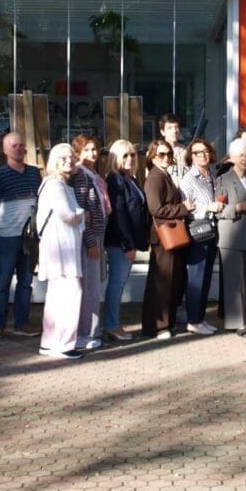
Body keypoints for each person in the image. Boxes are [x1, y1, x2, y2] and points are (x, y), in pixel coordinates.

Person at [0, 132, 42, 339]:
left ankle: (22, 323)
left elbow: (40, 201)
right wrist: (5, 226)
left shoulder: (34, 173)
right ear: (5, 150)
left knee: (26, 282)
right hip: (8, 237)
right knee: (3, 281)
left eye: (21, 145)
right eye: (13, 145)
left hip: (30, 237)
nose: (18, 148)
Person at [36, 144, 85, 360]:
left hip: (61, 246)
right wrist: (83, 214)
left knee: (57, 295)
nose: (69, 161)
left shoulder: (58, 184)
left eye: (71, 157)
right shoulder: (55, 185)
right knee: (71, 292)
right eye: (63, 158)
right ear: (54, 160)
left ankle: (49, 342)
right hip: (61, 247)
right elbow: (68, 215)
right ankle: (64, 344)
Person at [142, 139, 195, 339]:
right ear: (152, 157)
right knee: (162, 282)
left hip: (170, 235)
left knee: (171, 280)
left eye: (169, 154)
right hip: (163, 236)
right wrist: (183, 208)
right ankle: (157, 326)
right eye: (161, 154)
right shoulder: (155, 177)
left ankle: (166, 323)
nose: (166, 158)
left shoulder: (164, 175)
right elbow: (156, 208)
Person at [103, 139, 149, 343]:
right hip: (120, 243)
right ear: (115, 158)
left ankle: (113, 324)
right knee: (117, 284)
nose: (130, 159)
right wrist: (127, 244)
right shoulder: (115, 180)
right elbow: (119, 215)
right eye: (125, 155)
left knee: (119, 283)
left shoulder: (131, 179)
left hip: (128, 241)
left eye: (132, 155)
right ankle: (112, 325)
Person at [180, 137, 224, 335]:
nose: (203, 155)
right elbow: (186, 208)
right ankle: (193, 320)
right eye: (198, 152)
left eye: (205, 151)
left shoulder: (211, 175)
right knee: (196, 278)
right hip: (198, 232)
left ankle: (200, 318)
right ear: (191, 156)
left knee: (206, 277)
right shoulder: (189, 179)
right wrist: (208, 207)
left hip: (211, 231)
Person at [216, 138, 246, 336]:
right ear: (232, 158)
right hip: (230, 235)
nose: (245, 158)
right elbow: (218, 210)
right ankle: (237, 323)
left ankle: (245, 319)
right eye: (241, 155)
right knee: (234, 281)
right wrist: (238, 207)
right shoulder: (223, 179)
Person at [70, 134, 109, 350]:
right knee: (89, 288)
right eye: (87, 150)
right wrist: (91, 241)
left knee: (94, 287)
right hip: (89, 239)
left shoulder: (93, 174)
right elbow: (82, 211)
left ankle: (92, 330)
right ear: (78, 153)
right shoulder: (80, 175)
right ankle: (85, 333)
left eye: (94, 149)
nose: (92, 154)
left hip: (98, 236)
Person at [159, 113, 187, 185]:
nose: (174, 131)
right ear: (162, 132)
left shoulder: (186, 152)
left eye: (176, 127)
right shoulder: (157, 153)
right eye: (169, 128)